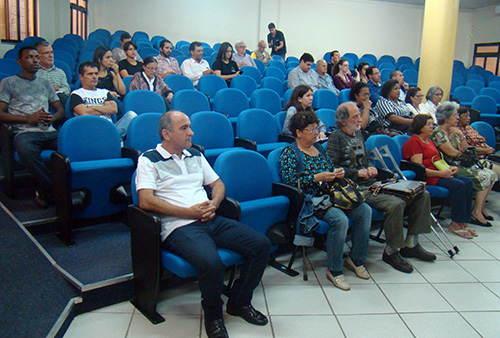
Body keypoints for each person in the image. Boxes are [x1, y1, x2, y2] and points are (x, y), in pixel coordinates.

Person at [136, 111, 271, 338]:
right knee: (212, 264)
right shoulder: (149, 159)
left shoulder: (195, 154)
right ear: (166, 134)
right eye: (184, 128)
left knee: (262, 245)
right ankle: (213, 316)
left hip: (210, 217)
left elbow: (217, 184)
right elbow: (145, 200)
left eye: (190, 126)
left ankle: (239, 302)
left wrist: (214, 203)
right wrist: (187, 212)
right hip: (179, 226)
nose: (191, 132)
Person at [327, 102, 435, 273]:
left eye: (359, 114)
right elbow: (331, 169)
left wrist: (370, 167)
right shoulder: (336, 138)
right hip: (355, 188)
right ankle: (392, 251)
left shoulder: (359, 134)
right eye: (355, 116)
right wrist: (358, 174)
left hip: (372, 182)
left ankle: (411, 243)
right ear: (343, 121)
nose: (360, 119)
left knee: (422, 194)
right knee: (395, 204)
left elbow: (366, 159)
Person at [280, 110, 372, 290]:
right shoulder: (290, 153)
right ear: (298, 132)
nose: (316, 132)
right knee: (340, 219)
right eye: (310, 129)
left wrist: (337, 173)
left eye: (316, 128)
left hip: (332, 194)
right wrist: (316, 177)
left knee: (364, 211)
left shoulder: (319, 148)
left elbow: (331, 167)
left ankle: (356, 259)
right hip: (311, 200)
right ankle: (335, 270)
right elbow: (289, 182)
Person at [0, 46, 65, 207]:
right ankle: (55, 190)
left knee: (72, 145)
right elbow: (0, 114)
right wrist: (27, 118)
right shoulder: (9, 83)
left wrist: (52, 118)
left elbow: (60, 110)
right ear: (19, 61)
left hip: (48, 131)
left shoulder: (45, 82)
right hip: (25, 132)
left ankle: (47, 192)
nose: (34, 61)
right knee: (26, 151)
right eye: (29, 57)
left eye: (37, 57)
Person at [402, 114, 475, 239]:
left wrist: (449, 168)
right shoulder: (414, 142)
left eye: (432, 123)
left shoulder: (429, 141)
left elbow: (436, 160)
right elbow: (419, 169)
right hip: (428, 177)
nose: (432, 127)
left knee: (468, 181)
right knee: (459, 185)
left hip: (439, 172)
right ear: (420, 127)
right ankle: (456, 223)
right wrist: (440, 173)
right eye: (428, 124)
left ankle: (463, 221)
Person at [430, 101, 497, 228]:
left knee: (492, 174)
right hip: (449, 166)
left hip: (460, 164)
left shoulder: (454, 131)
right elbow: (453, 153)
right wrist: (464, 152)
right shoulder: (438, 133)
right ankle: (475, 213)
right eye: (455, 115)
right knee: (485, 176)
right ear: (446, 117)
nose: (457, 118)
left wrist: (461, 135)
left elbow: (465, 149)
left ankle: (479, 209)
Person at [70, 61, 137, 140]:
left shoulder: (104, 92)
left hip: (109, 128)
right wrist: (104, 108)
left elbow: (114, 109)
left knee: (132, 115)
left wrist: (91, 107)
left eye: (96, 73)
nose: (94, 77)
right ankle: (113, 140)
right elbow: (84, 112)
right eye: (90, 74)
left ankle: (112, 138)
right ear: (81, 77)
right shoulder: (76, 94)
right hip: (90, 130)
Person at [457, 105, 500, 180]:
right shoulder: (456, 132)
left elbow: (481, 140)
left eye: (469, 116)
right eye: (465, 116)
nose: (469, 118)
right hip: (477, 158)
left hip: (488, 154)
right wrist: (485, 150)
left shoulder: (469, 127)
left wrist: (488, 148)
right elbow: (466, 148)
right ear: (458, 117)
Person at [34, 41, 71, 107]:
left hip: (59, 99)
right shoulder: (33, 72)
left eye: (51, 52)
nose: (50, 56)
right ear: (38, 56)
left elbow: (67, 89)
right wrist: (49, 90)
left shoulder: (60, 72)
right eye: (46, 53)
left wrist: (58, 90)